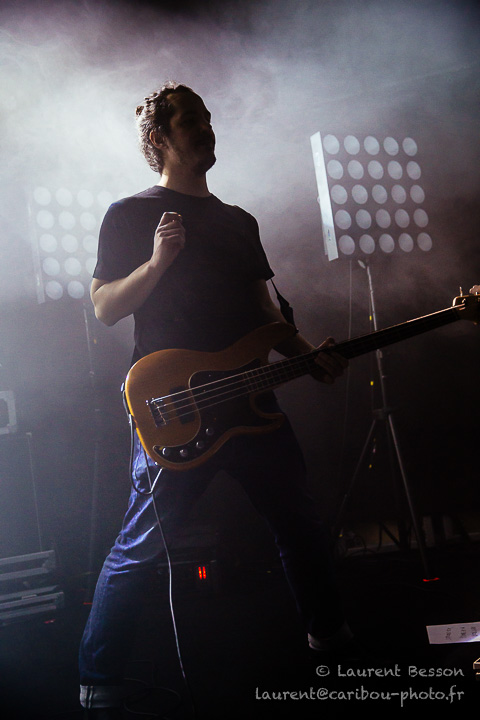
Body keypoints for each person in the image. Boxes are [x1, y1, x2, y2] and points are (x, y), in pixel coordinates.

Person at [79, 83, 351, 719]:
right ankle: (97, 679)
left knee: (301, 524)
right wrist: (158, 262)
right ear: (160, 138)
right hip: (176, 408)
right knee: (141, 546)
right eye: (190, 120)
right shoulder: (129, 213)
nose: (206, 128)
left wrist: (308, 355)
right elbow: (105, 307)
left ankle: (331, 638)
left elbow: (265, 312)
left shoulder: (238, 221)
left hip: (252, 402)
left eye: (206, 117)